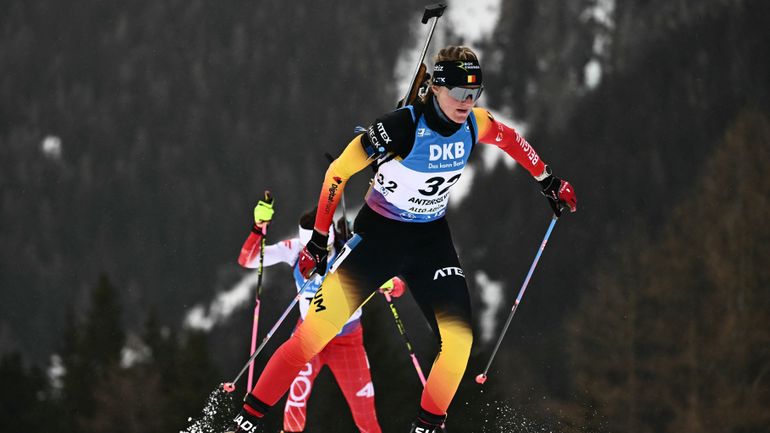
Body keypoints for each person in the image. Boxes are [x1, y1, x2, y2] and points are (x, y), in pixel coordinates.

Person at [227, 46, 577, 433]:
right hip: (378, 237)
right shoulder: (402, 127)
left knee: (458, 342)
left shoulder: (474, 124)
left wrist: (548, 181)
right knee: (313, 333)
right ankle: (249, 417)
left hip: (430, 241)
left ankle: (427, 426)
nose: (467, 102)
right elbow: (338, 174)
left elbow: (510, 139)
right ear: (437, 88)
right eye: (459, 92)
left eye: (474, 93)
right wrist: (317, 240)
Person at [237, 200, 406, 433]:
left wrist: (386, 282)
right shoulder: (295, 249)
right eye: (310, 249)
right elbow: (248, 260)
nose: (314, 256)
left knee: (365, 415)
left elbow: (398, 287)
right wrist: (258, 226)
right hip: (308, 335)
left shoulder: (349, 250)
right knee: (295, 402)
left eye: (320, 248)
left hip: (347, 342)